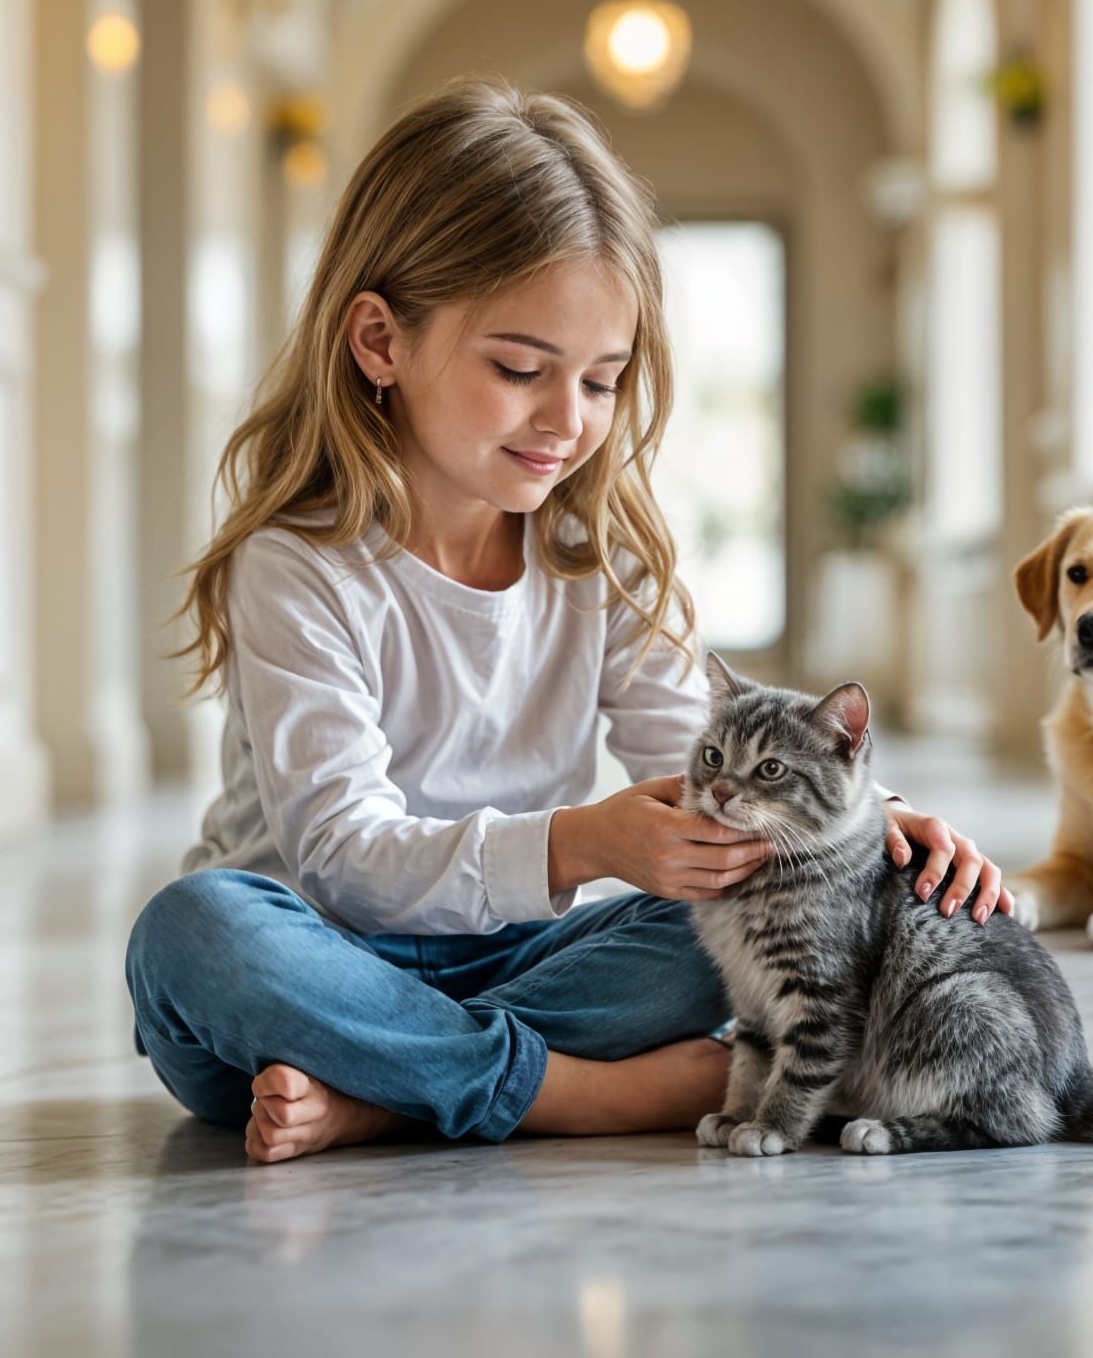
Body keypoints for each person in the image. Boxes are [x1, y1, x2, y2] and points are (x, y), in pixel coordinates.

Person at [124, 76, 1012, 1165]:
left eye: (602, 381)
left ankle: (394, 1090)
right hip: (315, 963)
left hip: (515, 964)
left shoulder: (604, 556)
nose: (567, 420)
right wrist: (583, 840)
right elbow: (342, 857)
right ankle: (575, 1094)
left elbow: (705, 768)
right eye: (519, 369)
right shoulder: (298, 566)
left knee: (742, 913)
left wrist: (871, 821)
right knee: (190, 933)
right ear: (379, 341)